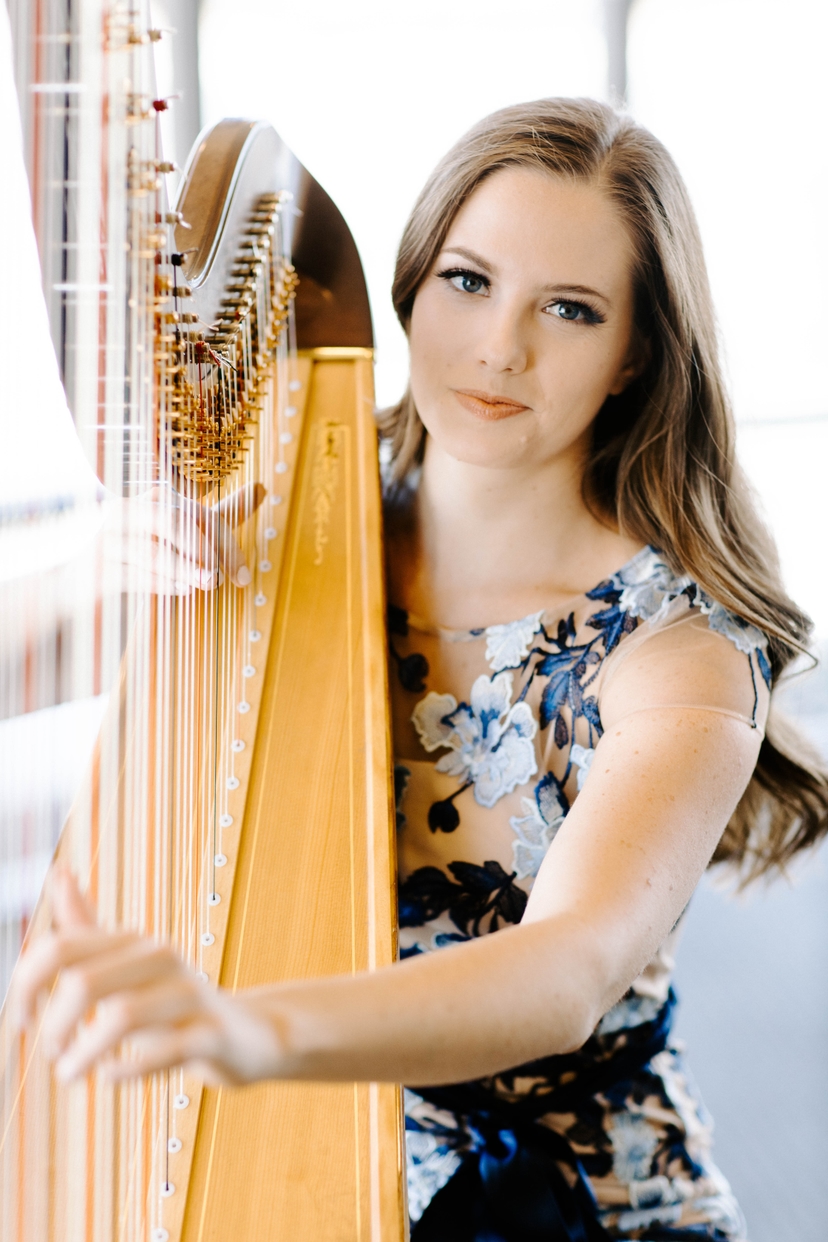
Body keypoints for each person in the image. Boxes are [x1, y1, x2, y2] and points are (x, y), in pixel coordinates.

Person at [14, 98, 828, 1241]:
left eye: (570, 308)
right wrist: (91, 570)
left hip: (569, 1200)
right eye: (467, 280)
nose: (501, 347)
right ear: (407, 283)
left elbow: (567, 973)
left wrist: (245, 1029)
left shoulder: (674, 654)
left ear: (637, 348)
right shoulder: (288, 516)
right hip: (329, 1143)